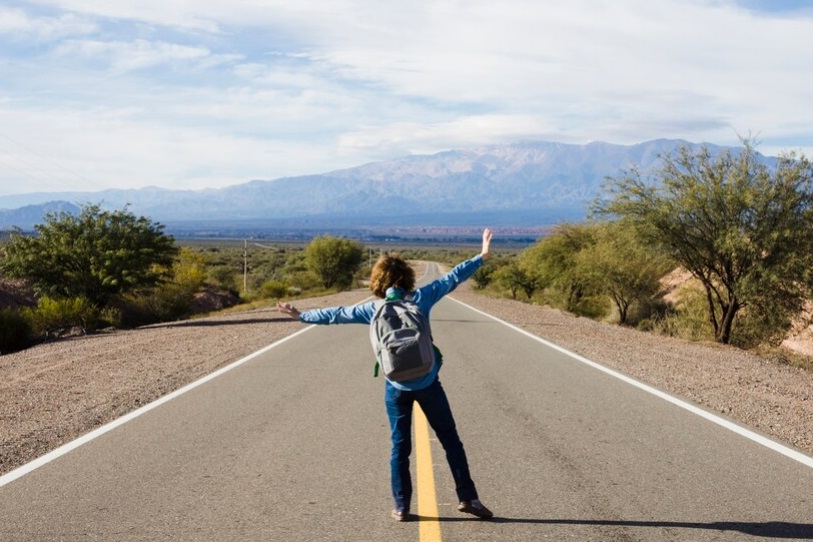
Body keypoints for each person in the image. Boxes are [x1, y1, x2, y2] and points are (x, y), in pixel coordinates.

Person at [278, 228, 494, 522]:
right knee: (450, 440)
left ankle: (402, 506)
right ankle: (468, 497)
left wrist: (300, 314)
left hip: (396, 386)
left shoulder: (372, 308)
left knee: (400, 447)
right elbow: (452, 277)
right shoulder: (421, 299)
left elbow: (335, 314)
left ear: (378, 281)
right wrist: (481, 255)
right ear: (407, 277)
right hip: (429, 383)